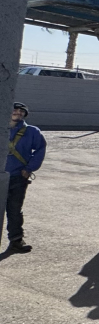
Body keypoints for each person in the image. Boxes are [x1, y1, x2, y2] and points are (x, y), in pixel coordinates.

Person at [4, 102, 45, 254]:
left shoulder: (32, 131)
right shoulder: (2, 129)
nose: (18, 113)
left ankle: (16, 241)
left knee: (14, 210)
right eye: (15, 110)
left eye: (22, 111)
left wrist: (29, 169)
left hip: (17, 177)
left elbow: (40, 149)